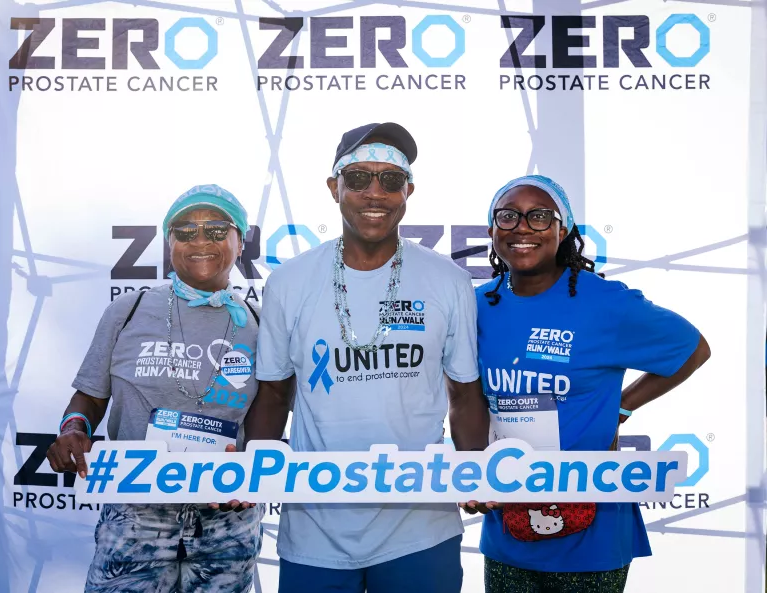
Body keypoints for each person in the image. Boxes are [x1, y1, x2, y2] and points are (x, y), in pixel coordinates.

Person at [244, 122, 489, 593]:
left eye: (390, 179)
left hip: (420, 527)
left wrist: (475, 470)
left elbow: (464, 392)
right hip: (315, 526)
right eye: (357, 178)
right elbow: (274, 395)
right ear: (334, 187)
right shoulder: (289, 282)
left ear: (408, 191)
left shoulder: (448, 280)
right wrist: (251, 476)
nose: (374, 192)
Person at [467, 174, 711, 592]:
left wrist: (622, 407)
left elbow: (693, 349)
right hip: (508, 530)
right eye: (507, 216)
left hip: (593, 534)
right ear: (491, 231)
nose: (522, 227)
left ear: (564, 231)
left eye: (540, 217)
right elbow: (462, 396)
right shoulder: (475, 306)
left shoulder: (604, 303)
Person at [46, 184, 264, 593]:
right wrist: (72, 428)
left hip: (226, 516)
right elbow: (90, 397)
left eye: (217, 229)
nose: (200, 241)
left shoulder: (261, 321)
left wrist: (255, 466)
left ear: (240, 241)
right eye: (184, 231)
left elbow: (272, 411)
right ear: (169, 243)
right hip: (135, 510)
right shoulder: (127, 310)